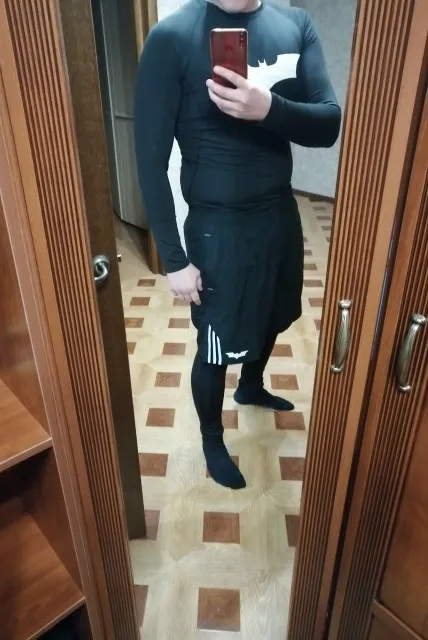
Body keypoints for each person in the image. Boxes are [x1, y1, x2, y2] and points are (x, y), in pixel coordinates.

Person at [134, 0, 341, 490]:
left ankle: (250, 387)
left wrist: (269, 109)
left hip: (279, 214)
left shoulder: (295, 25)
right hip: (217, 228)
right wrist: (174, 260)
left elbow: (329, 124)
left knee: (273, 314)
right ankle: (212, 438)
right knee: (215, 344)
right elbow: (149, 162)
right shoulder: (171, 38)